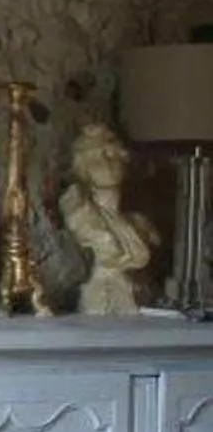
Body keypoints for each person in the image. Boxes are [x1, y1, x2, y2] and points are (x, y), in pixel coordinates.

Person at [58, 122, 156, 315]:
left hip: (131, 299)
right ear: (82, 167)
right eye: (97, 157)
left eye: (111, 154)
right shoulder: (79, 213)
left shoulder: (138, 223)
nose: (107, 163)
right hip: (99, 298)